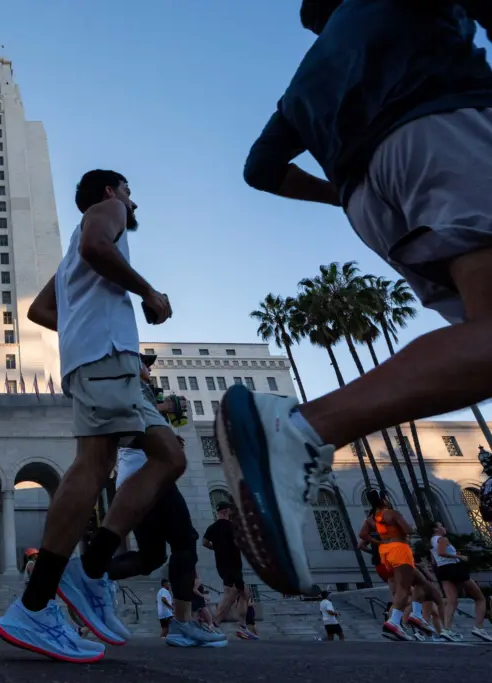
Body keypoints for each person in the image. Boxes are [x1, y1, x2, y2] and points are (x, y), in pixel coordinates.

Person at [224, 0, 492, 598]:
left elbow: (260, 168)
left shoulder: (306, 80)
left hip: (373, 200)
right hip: (447, 130)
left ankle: (299, 430)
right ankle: (300, 428)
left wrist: (341, 193)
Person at [0, 170, 182, 663]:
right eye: (129, 191)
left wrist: (79, 326)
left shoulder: (68, 258)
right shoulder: (106, 212)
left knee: (169, 455)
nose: (133, 203)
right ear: (110, 191)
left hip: (114, 361)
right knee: (94, 463)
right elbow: (98, 247)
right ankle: (35, 605)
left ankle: (91, 567)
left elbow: (40, 310)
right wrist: (149, 293)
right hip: (104, 356)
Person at [103, 356, 226, 648]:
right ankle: (182, 624)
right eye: (145, 363)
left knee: (152, 556)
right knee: (185, 542)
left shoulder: (142, 390)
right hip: (148, 475)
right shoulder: (130, 386)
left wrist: (168, 438)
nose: (150, 368)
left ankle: (91, 574)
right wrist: (166, 408)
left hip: (138, 476)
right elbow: (126, 425)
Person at [358, 489, 441, 640]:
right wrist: (408, 528)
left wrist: (379, 542)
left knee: (421, 582)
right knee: (404, 588)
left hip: (386, 553)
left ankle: (415, 615)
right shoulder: (392, 513)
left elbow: (362, 535)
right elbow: (408, 530)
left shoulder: (371, 518)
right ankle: (395, 621)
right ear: (383, 499)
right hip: (399, 550)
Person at [431, 521, 490, 641]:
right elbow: (442, 552)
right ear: (436, 529)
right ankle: (479, 627)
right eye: (441, 526)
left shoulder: (432, 540)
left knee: (452, 600)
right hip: (453, 567)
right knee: (480, 598)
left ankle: (447, 629)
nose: (444, 527)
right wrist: (460, 556)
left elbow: (436, 557)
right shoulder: (442, 539)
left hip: (442, 570)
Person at [203, 502, 251, 638]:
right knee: (231, 594)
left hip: (221, 564)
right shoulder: (232, 526)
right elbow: (237, 542)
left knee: (243, 592)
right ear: (226, 511)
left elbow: (204, 543)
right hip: (233, 564)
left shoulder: (212, 528)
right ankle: (215, 624)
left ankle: (241, 626)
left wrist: (217, 548)